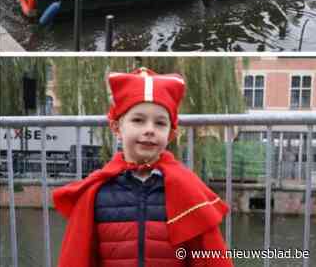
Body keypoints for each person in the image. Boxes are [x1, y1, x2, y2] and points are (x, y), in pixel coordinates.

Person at [53, 68, 232, 267]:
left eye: (160, 123)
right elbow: (80, 258)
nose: (149, 130)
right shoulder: (98, 192)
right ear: (117, 127)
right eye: (138, 120)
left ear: (170, 134)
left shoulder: (188, 191)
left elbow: (207, 258)